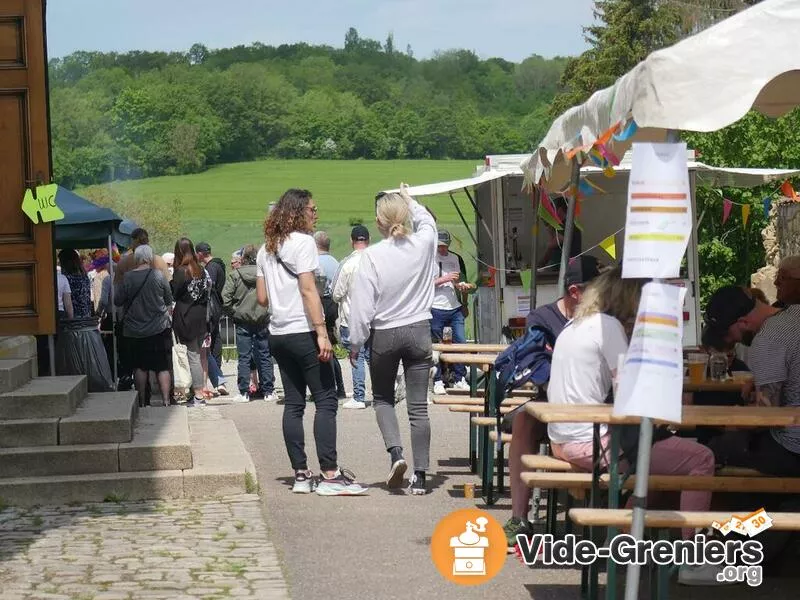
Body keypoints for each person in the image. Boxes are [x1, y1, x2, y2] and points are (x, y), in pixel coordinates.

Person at [547, 267, 723, 585]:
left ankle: (627, 539)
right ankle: (692, 561)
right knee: (700, 458)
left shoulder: (575, 326)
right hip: (593, 441)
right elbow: (633, 394)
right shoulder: (609, 327)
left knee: (660, 459)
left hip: (565, 439)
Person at [256, 189, 367, 496]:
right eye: (311, 210)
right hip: (303, 331)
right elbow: (308, 290)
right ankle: (330, 474)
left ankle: (301, 474)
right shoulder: (303, 243)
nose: (315, 214)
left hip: (277, 333)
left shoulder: (266, 249)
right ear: (297, 212)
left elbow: (262, 298)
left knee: (293, 404)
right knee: (326, 400)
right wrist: (321, 331)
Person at [503, 255, 601, 546]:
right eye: (598, 290)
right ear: (575, 292)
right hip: (555, 406)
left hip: (600, 406)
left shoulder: (605, 321)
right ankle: (519, 517)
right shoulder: (543, 319)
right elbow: (536, 366)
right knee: (524, 419)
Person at [349, 187, 436, 495]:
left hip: (385, 331)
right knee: (418, 408)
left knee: (384, 398)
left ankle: (396, 454)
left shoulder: (371, 256)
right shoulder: (424, 243)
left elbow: (361, 306)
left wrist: (356, 343)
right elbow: (428, 222)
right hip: (419, 329)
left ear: (378, 222)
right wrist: (409, 198)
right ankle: (422, 475)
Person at [703, 286, 800, 477]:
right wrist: (758, 380)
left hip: (793, 448)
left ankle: (760, 507)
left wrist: (735, 417)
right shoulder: (795, 313)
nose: (731, 341)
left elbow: (765, 417)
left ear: (742, 322)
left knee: (713, 452)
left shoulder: (766, 339)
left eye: (727, 334)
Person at [114, 245, 174, 407]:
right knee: (162, 366)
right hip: (158, 328)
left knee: (140, 367)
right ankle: (166, 400)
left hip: (134, 329)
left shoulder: (127, 278)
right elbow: (169, 299)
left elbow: (117, 300)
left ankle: (141, 401)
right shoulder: (158, 276)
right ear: (150, 257)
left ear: (136, 259)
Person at [222, 244, 277, 403]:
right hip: (262, 319)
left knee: (244, 357)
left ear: (243, 258)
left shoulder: (235, 275)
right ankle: (268, 391)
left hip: (242, 320)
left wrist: (234, 312)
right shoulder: (265, 274)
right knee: (265, 355)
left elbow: (225, 299)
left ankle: (244, 391)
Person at [332, 225, 371, 409]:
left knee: (357, 357)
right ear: (368, 240)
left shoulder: (347, 263)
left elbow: (336, 293)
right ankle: (381, 394)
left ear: (352, 240)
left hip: (352, 317)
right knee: (374, 357)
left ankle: (359, 396)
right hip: (374, 318)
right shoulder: (376, 261)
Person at [171, 237, 212, 408]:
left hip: (185, 316)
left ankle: (198, 394)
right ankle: (197, 392)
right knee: (195, 354)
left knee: (193, 356)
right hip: (200, 316)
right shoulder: (201, 270)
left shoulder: (181, 271)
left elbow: (174, 293)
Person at [431, 230, 471, 395]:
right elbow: (423, 285)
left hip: (454, 307)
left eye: (445, 246)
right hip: (435, 307)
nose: (442, 249)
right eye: (439, 246)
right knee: (437, 347)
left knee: (460, 342)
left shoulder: (455, 258)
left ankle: (460, 378)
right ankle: (438, 380)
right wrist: (444, 279)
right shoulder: (428, 260)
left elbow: (459, 281)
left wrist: (462, 290)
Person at [313, 231, 346, 399]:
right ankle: (338, 386)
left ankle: (329, 387)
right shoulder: (336, 263)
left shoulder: (315, 263)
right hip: (334, 305)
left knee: (322, 348)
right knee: (330, 348)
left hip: (321, 304)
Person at [196, 242, 228, 397]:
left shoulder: (211, 268)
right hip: (217, 307)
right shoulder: (220, 265)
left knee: (207, 346)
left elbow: (209, 287)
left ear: (201, 253)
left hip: (210, 308)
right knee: (215, 341)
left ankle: (217, 377)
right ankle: (218, 376)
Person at [537, 197, 582, 271]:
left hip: (567, 272)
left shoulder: (566, 225)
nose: (551, 214)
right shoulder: (569, 224)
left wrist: (540, 264)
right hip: (567, 269)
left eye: (552, 210)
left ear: (560, 210)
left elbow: (552, 245)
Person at [58, 249, 92, 318]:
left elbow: (68, 304)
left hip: (74, 318)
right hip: (86, 316)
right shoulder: (85, 277)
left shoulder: (67, 279)